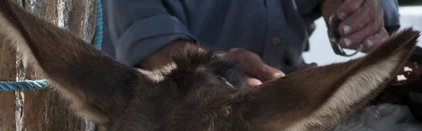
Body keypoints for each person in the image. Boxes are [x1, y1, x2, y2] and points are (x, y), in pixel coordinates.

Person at [102, 0, 401, 83]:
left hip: (282, 92)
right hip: (171, 113)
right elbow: (151, 43)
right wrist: (217, 72)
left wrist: (353, 10)